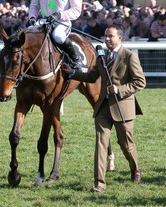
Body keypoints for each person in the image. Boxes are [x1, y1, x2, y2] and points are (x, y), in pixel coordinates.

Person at [61, 24, 146, 192]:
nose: (107, 39)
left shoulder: (129, 57)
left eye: (110, 36)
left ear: (119, 38)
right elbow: (91, 76)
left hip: (123, 108)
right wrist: (72, 72)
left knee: (126, 144)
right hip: (103, 107)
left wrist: (119, 90)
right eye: (105, 35)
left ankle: (135, 168)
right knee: (101, 143)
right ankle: (99, 183)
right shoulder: (102, 57)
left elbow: (140, 82)